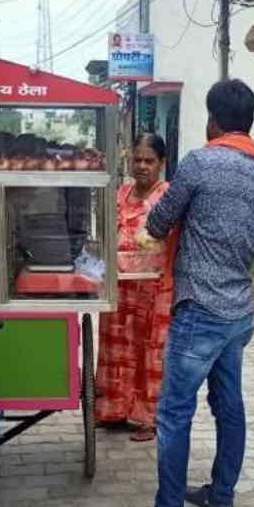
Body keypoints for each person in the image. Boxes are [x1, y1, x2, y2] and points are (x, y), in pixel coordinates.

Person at [112, 80, 254, 507]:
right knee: (229, 405)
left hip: (200, 308)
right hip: (239, 310)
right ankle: (221, 496)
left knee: (173, 412)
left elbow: (160, 221)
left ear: (213, 120)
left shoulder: (201, 162)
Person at [96, 133, 175, 441]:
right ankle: (113, 409)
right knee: (118, 348)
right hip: (121, 285)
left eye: (149, 161)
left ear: (162, 163)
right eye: (137, 160)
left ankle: (148, 418)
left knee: (149, 352)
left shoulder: (167, 196)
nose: (142, 166)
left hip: (154, 289)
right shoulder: (122, 192)